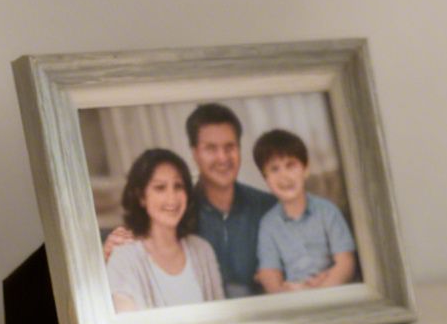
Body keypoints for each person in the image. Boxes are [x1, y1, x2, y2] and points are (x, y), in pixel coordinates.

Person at [104, 102, 276, 298]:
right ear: (195, 153)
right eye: (211, 148)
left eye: (230, 147)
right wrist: (108, 252)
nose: (222, 158)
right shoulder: (174, 212)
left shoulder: (268, 208)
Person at [105, 149, 226, 312]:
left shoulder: (202, 250)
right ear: (141, 197)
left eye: (178, 186)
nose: (172, 198)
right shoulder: (124, 259)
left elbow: (222, 317)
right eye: (160, 188)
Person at [252, 128, 357, 292]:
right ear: (266, 179)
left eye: (290, 165)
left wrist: (320, 292)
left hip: (332, 290)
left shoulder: (328, 211)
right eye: (274, 169)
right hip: (294, 296)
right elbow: (269, 274)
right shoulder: (268, 225)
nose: (284, 176)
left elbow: (346, 264)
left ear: (305, 169)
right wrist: (288, 294)